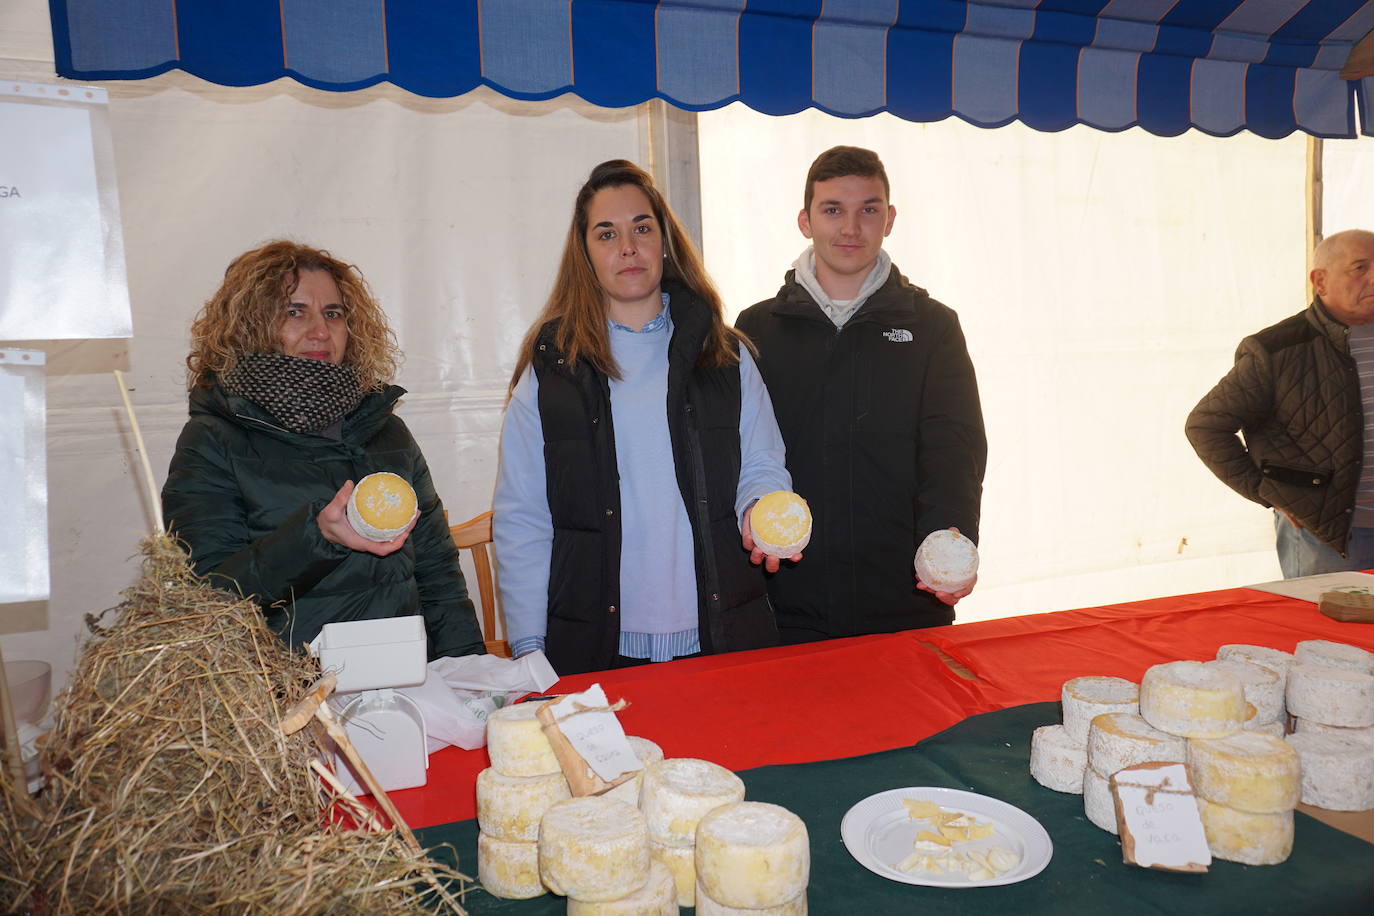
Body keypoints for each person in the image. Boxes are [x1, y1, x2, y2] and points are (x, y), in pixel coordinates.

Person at [494, 159, 795, 676]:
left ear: (665, 242)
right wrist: (528, 646)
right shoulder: (551, 371)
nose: (628, 247)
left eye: (642, 228)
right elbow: (523, 515)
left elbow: (763, 463)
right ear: (585, 254)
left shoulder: (726, 356)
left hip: (722, 635)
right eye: (606, 234)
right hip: (596, 645)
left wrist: (759, 508)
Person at [161, 240, 484, 658]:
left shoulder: (386, 431)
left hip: (403, 679)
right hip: (288, 688)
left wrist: (468, 667)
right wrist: (316, 537)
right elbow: (209, 599)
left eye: (333, 314)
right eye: (294, 312)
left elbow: (436, 571)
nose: (320, 331)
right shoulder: (212, 440)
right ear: (250, 326)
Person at [735, 146, 987, 643]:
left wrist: (951, 540)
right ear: (805, 221)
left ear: (889, 219)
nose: (850, 227)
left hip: (905, 600)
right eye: (833, 209)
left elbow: (954, 448)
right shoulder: (756, 327)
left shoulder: (933, 326)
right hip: (783, 603)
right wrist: (751, 515)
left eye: (868, 210)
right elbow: (740, 452)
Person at [1186, 229, 1374, 578]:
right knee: (1328, 616)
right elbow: (1206, 426)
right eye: (1360, 267)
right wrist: (1265, 492)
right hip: (1328, 539)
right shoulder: (1276, 350)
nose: (1373, 277)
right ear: (1320, 281)